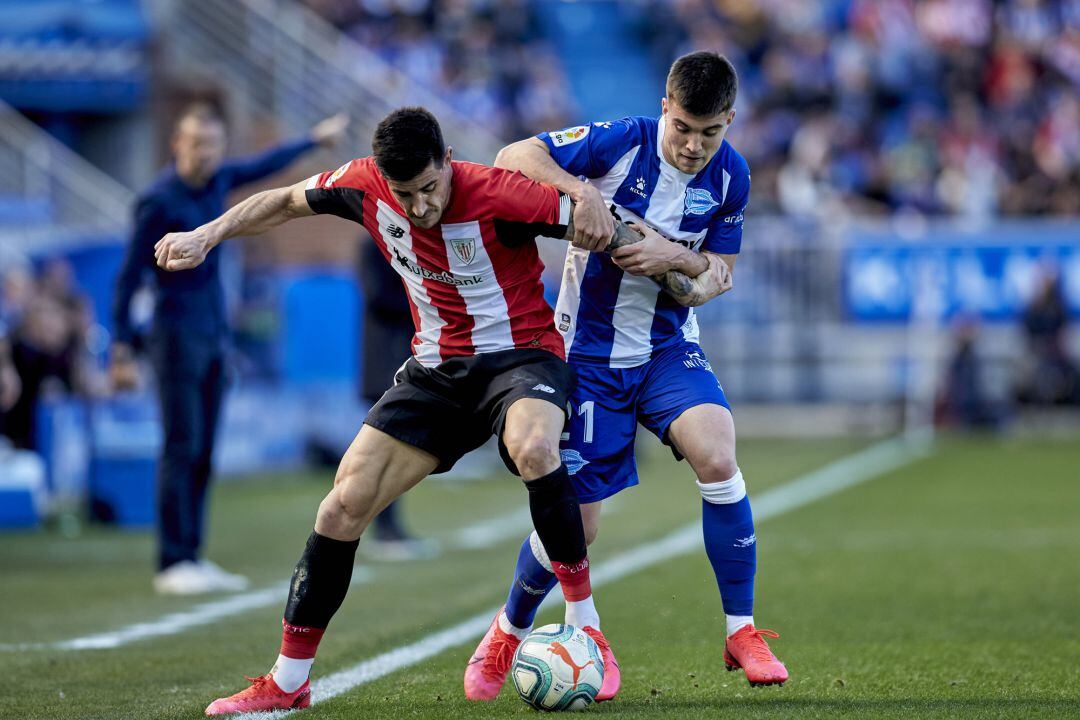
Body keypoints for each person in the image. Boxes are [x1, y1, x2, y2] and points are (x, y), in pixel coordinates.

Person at [153, 107, 610, 715]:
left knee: (533, 447)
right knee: (342, 504)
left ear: (447, 163)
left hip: (522, 358)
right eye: (405, 195)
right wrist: (207, 235)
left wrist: (689, 263)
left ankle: (586, 624)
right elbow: (286, 200)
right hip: (437, 372)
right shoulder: (360, 184)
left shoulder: (501, 192)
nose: (419, 207)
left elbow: (605, 230)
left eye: (429, 188)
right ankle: (288, 681)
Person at [463, 51, 788, 702]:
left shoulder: (733, 177)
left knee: (718, 455)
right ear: (665, 107)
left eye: (710, 133)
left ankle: (742, 630)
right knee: (576, 524)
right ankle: (507, 628)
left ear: (730, 121)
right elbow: (512, 155)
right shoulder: (621, 144)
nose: (694, 146)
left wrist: (677, 259)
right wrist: (581, 191)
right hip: (587, 353)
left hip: (667, 348)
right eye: (683, 128)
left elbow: (719, 276)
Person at [110, 102, 349, 595]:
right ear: (177, 144)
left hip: (213, 334)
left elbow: (265, 167)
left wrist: (313, 140)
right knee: (182, 445)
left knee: (204, 450)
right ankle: (172, 559)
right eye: (195, 144)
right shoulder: (157, 200)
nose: (205, 154)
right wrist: (120, 348)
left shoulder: (219, 181)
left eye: (213, 145)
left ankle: (192, 556)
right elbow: (127, 277)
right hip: (174, 335)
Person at [357, 237, 438, 560]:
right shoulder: (373, 245)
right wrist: (428, 301)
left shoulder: (404, 241)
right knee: (381, 454)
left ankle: (390, 527)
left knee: (396, 452)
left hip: (400, 357)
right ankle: (382, 529)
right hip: (384, 360)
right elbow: (379, 297)